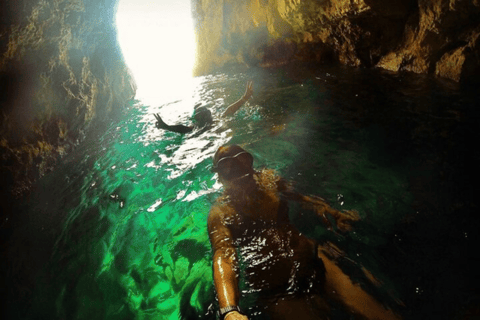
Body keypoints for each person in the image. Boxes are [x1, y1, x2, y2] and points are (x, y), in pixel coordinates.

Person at [207, 144, 402, 320]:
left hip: (316, 262)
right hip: (277, 291)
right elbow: (223, 256)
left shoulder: (270, 180)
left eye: (244, 164)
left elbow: (302, 199)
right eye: (231, 172)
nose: (244, 179)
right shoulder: (221, 212)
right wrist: (230, 310)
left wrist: (332, 212)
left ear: (250, 163)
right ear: (221, 178)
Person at [154, 81, 254, 134]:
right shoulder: (212, 123)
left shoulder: (198, 127)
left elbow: (183, 129)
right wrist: (245, 98)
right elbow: (229, 110)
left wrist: (166, 127)